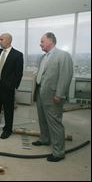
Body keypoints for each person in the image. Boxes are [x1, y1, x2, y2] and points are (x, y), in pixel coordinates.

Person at [32, 32, 73, 162]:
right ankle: (45, 139)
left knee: (55, 123)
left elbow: (65, 76)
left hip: (53, 96)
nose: (40, 44)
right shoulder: (43, 57)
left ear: (51, 41)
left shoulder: (63, 55)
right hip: (40, 93)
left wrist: (59, 94)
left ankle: (59, 153)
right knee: (42, 119)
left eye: (42, 41)